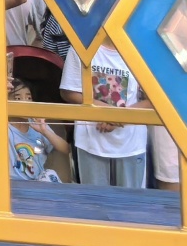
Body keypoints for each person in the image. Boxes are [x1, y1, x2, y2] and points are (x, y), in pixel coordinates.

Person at [60, 41, 148, 186]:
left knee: (130, 205)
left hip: (131, 143)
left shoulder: (140, 46)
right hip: (90, 143)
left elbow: (154, 100)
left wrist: (119, 118)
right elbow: (68, 91)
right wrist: (107, 113)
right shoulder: (81, 46)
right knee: (94, 204)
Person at [7, 77, 68, 181]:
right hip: (13, 184)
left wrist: (45, 131)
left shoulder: (36, 124)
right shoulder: (4, 126)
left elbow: (65, 149)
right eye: (17, 98)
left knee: (50, 174)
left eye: (29, 98)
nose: (25, 102)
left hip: (38, 182)